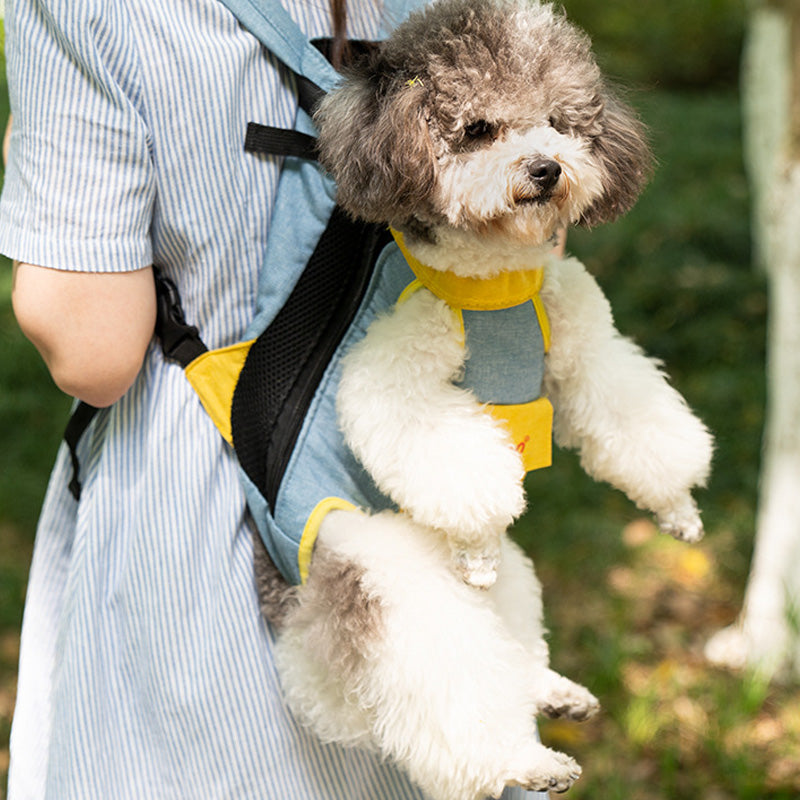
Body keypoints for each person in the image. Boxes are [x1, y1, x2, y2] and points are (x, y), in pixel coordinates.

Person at [1, 0, 553, 797]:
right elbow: (529, 231)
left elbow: (93, 349)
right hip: (415, 495)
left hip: (195, 508)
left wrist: (30, 156)